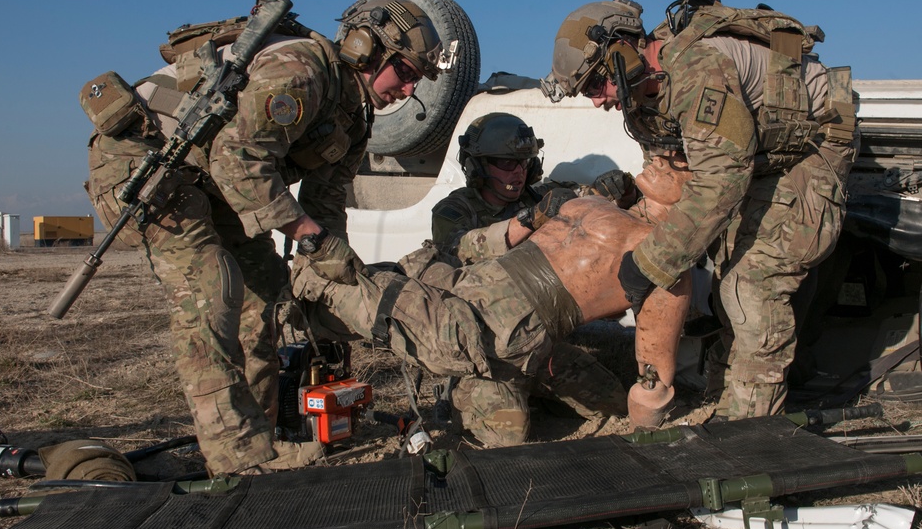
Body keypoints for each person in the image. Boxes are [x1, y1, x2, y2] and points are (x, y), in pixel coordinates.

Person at [84, 0, 444, 475]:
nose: (407, 89)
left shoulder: (353, 119)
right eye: (405, 72)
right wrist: (311, 237)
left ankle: (264, 435)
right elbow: (237, 160)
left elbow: (326, 204)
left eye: (416, 80)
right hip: (145, 162)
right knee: (212, 284)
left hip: (214, 180)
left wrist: (328, 267)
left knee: (267, 295)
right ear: (366, 47)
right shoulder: (300, 73)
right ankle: (236, 458)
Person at [542, 0, 859, 420]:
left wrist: (650, 262)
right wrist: (624, 239)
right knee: (726, 263)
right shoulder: (643, 97)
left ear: (623, 50)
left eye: (597, 82)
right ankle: (723, 395)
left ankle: (752, 436)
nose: (598, 101)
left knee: (752, 284)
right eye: (588, 91)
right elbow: (668, 185)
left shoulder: (695, 70)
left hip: (813, 143)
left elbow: (721, 180)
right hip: (757, 152)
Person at [293, 153, 694, 433]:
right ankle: (308, 290)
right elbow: (481, 240)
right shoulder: (594, 202)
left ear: (702, 192)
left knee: (604, 401)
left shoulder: (663, 261)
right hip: (474, 292)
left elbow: (654, 366)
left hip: (516, 331)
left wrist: (648, 432)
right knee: (390, 309)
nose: (659, 159)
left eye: (678, 161)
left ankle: (479, 379)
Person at [429, 112, 627, 446]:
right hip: (491, 356)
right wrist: (530, 220)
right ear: (476, 167)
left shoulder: (541, 197)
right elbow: (460, 249)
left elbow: (586, 200)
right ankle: (470, 394)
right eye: (506, 164)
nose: (518, 173)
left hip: (539, 346)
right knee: (509, 440)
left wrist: (612, 189)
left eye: (524, 163)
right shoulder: (453, 211)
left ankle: (530, 395)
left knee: (614, 402)